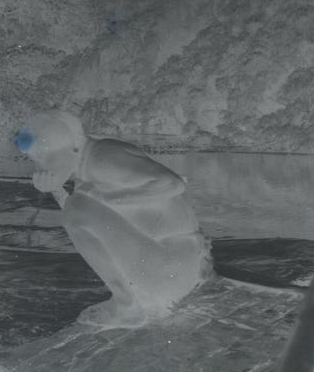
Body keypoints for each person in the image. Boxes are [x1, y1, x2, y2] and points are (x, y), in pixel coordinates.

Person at [13, 110, 212, 327]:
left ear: (74, 146)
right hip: (173, 271)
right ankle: (130, 302)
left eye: (43, 156)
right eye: (35, 159)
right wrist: (56, 189)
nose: (40, 167)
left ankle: (127, 306)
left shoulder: (104, 156)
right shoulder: (87, 161)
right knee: (76, 206)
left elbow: (173, 183)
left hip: (171, 271)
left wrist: (110, 198)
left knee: (76, 206)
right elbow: (90, 222)